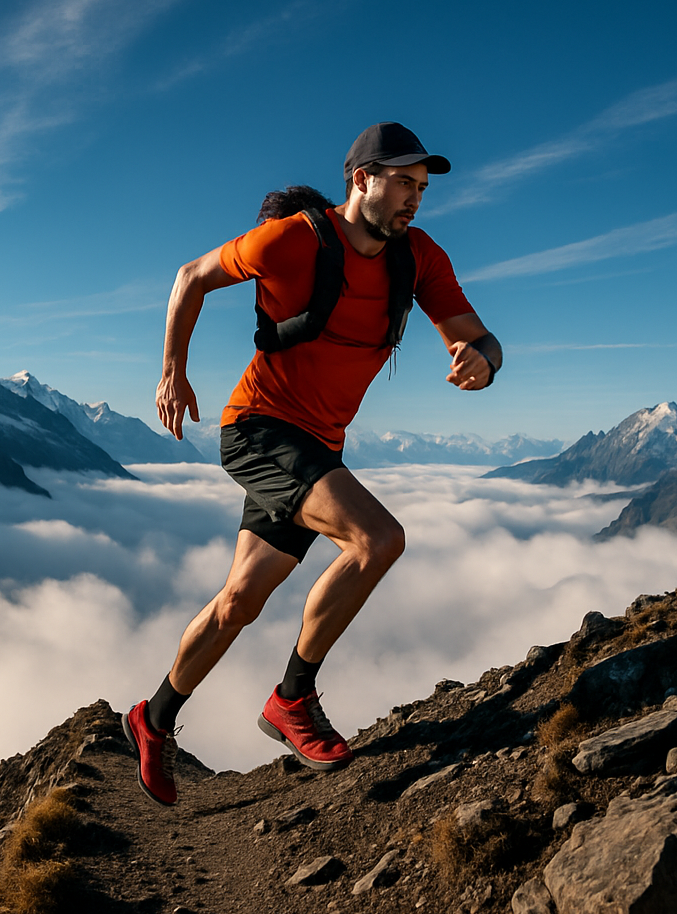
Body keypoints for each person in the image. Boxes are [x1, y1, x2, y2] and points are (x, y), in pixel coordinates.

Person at [122, 122, 502, 805]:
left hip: (317, 447)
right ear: (361, 180)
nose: (416, 198)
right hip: (258, 430)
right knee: (378, 539)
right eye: (403, 182)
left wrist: (483, 360)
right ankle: (292, 698)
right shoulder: (293, 239)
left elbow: (481, 337)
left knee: (240, 601)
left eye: (422, 187)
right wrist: (172, 372)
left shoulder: (419, 258)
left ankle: (152, 719)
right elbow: (190, 278)